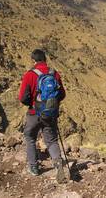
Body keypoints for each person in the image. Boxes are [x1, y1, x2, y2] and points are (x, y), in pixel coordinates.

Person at [18, 49, 66, 183]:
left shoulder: (29, 75)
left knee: (30, 137)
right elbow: (62, 94)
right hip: (50, 113)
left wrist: (32, 103)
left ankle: (34, 167)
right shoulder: (54, 73)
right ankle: (58, 164)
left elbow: (22, 97)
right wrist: (50, 104)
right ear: (45, 59)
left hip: (34, 113)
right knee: (51, 140)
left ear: (33, 60)